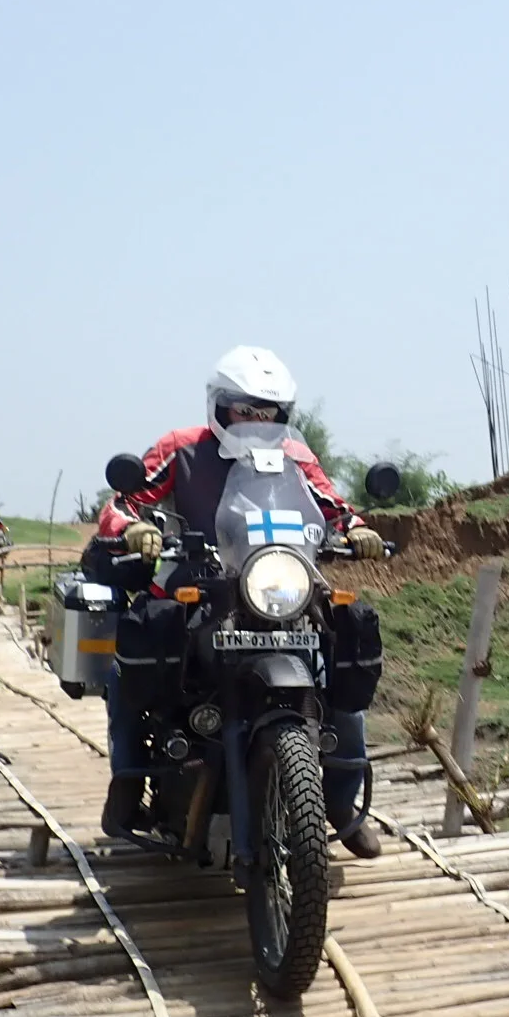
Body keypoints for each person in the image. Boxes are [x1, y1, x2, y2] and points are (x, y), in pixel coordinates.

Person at [93, 345, 387, 856]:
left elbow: (334, 508)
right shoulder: (182, 448)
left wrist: (358, 530)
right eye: (245, 409)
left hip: (280, 588)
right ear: (220, 405)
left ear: (283, 413)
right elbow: (121, 504)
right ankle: (126, 780)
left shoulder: (297, 457)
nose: (255, 419)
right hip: (199, 588)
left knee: (338, 668)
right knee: (130, 665)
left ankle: (338, 800)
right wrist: (137, 527)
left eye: (266, 411)